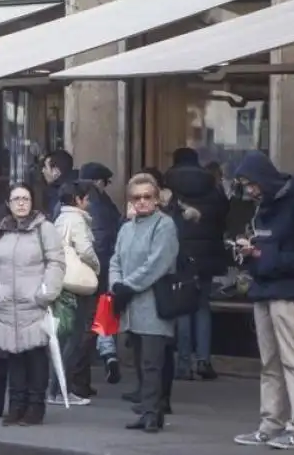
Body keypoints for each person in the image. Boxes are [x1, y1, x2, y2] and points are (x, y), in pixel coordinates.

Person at [231, 151, 294, 450]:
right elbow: (266, 250)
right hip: (265, 291)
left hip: (288, 294)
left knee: (293, 361)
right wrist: (249, 253)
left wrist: (263, 256)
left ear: (263, 178)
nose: (249, 190)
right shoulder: (262, 208)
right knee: (269, 363)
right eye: (245, 185)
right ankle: (269, 424)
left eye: (250, 183)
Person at [0, 183, 64, 426]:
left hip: (33, 304)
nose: (21, 203)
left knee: (36, 357)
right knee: (14, 357)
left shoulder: (44, 229)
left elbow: (56, 262)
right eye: (16, 198)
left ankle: (35, 407)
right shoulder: (2, 231)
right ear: (8, 203)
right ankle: (16, 406)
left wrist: (45, 293)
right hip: (6, 306)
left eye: (25, 198)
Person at [110, 173, 179, 433]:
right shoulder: (126, 228)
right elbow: (115, 259)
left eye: (147, 197)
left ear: (157, 198)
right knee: (139, 361)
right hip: (131, 305)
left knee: (152, 363)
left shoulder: (165, 225)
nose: (141, 202)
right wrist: (116, 284)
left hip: (153, 304)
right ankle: (149, 411)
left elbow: (158, 263)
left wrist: (128, 285)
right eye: (136, 197)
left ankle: (152, 413)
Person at [164, 147, 229, 380]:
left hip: (180, 253)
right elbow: (224, 216)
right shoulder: (212, 185)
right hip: (208, 255)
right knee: (202, 306)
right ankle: (203, 360)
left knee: (182, 306)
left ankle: (183, 363)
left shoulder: (169, 182)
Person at [49, 180, 101, 406]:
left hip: (61, 282)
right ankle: (61, 390)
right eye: (86, 198)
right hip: (74, 285)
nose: (88, 202)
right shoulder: (76, 220)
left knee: (62, 338)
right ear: (78, 200)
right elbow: (86, 250)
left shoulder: (60, 218)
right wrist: (96, 267)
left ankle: (55, 389)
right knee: (73, 339)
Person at [79, 162, 123, 391]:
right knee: (103, 312)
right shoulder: (107, 205)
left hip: (87, 269)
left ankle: (79, 374)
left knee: (85, 322)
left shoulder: (82, 203)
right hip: (106, 266)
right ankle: (109, 353)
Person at [41, 150, 76, 221]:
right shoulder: (75, 186)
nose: (43, 171)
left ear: (56, 171)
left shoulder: (60, 194)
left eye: (45, 167)